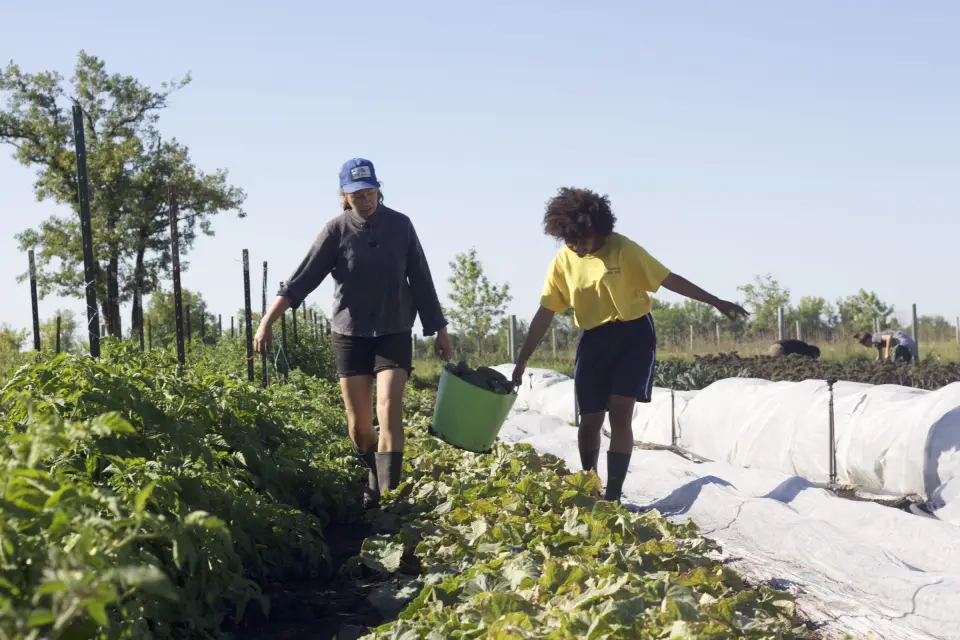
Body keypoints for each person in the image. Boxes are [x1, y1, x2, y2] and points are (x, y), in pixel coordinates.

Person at [511, 187, 748, 502]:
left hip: (633, 336)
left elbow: (668, 279)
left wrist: (715, 301)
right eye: (569, 241)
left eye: (580, 240)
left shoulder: (623, 250)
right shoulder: (564, 260)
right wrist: (523, 359)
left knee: (621, 413)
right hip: (594, 338)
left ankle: (613, 496)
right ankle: (589, 484)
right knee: (590, 417)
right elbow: (546, 311)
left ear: (598, 230)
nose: (575, 247)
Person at [253, 158, 453, 508]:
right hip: (350, 333)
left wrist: (439, 329)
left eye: (371, 192)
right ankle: (374, 477)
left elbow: (421, 279)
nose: (366, 200)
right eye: (358, 195)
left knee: (389, 408)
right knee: (360, 426)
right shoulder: (336, 231)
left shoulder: (401, 226)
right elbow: (302, 279)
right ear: (345, 196)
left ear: (379, 188)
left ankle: (390, 502)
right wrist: (268, 320)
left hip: (393, 330)